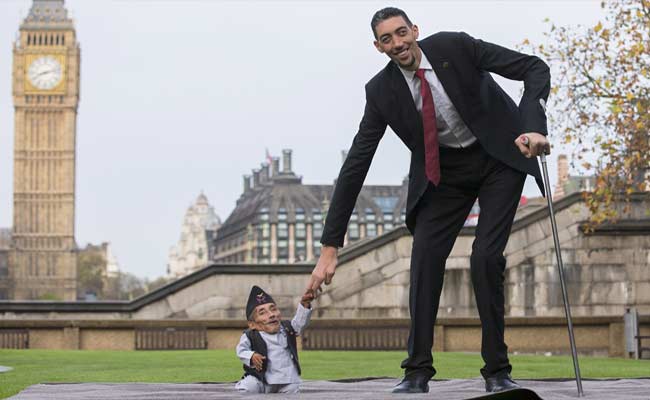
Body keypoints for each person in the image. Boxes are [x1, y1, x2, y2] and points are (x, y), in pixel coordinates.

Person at [306, 6, 550, 394]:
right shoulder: (381, 91)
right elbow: (356, 164)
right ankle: (417, 371)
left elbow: (534, 67)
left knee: (485, 257)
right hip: (444, 175)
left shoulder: (457, 45)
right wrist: (330, 246)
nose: (398, 43)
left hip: (498, 159)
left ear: (415, 30)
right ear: (378, 46)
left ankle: (498, 372)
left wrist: (533, 127)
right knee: (424, 259)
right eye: (387, 39)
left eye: (401, 33)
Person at [235, 286, 314, 394]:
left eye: (273, 309)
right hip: (261, 378)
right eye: (263, 313)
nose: (271, 315)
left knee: (294, 391)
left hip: (287, 379)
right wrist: (252, 356)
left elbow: (299, 323)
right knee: (249, 387)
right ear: (252, 324)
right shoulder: (250, 335)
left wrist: (304, 305)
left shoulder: (287, 329)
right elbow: (241, 350)